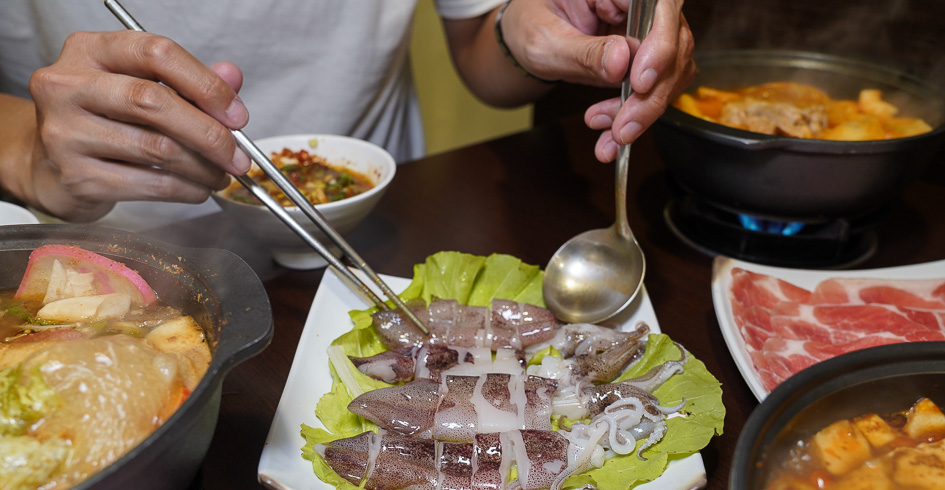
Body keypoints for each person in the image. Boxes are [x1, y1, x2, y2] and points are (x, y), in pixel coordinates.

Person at [0, 0, 694, 227]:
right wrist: (28, 151)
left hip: (376, 234)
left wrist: (534, 34)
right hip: (83, 250)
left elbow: (483, 50)